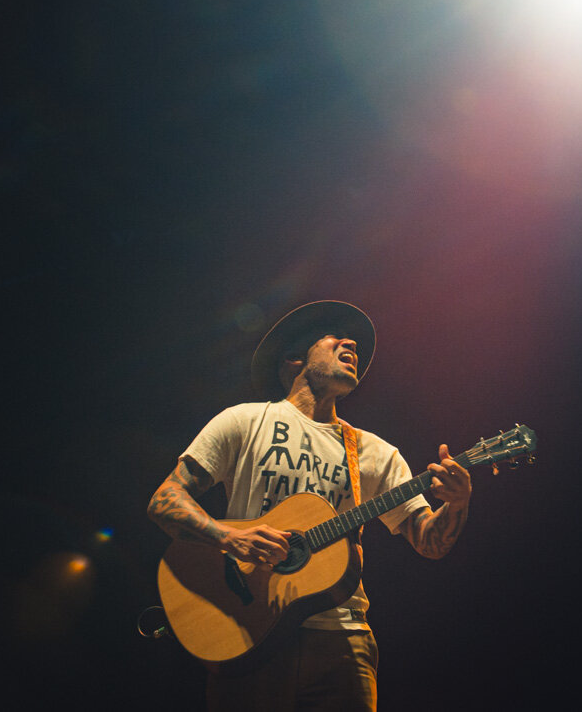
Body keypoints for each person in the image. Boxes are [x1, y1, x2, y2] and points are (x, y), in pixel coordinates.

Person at [147, 301, 473, 711]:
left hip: (342, 638)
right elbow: (165, 499)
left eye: (352, 342)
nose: (351, 343)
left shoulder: (375, 453)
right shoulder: (245, 421)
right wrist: (230, 538)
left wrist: (457, 503)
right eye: (335, 337)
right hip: (248, 629)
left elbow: (431, 542)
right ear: (294, 358)